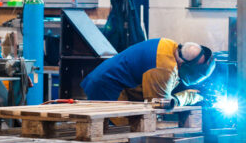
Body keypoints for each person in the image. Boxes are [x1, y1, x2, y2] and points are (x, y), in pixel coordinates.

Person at [80, 38, 215, 107]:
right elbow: (159, 105)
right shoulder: (164, 69)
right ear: (184, 65)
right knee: (122, 133)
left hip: (105, 81)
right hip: (108, 88)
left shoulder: (170, 45)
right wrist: (189, 97)